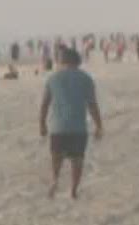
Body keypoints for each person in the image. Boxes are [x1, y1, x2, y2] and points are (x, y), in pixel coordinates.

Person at [41, 46, 103, 200]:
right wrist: (99, 125)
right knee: (77, 160)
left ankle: (55, 179)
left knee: (56, 157)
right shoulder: (86, 79)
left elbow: (45, 104)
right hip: (78, 128)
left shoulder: (53, 78)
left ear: (63, 61)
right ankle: (74, 190)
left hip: (57, 128)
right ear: (78, 62)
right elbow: (92, 105)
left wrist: (42, 124)